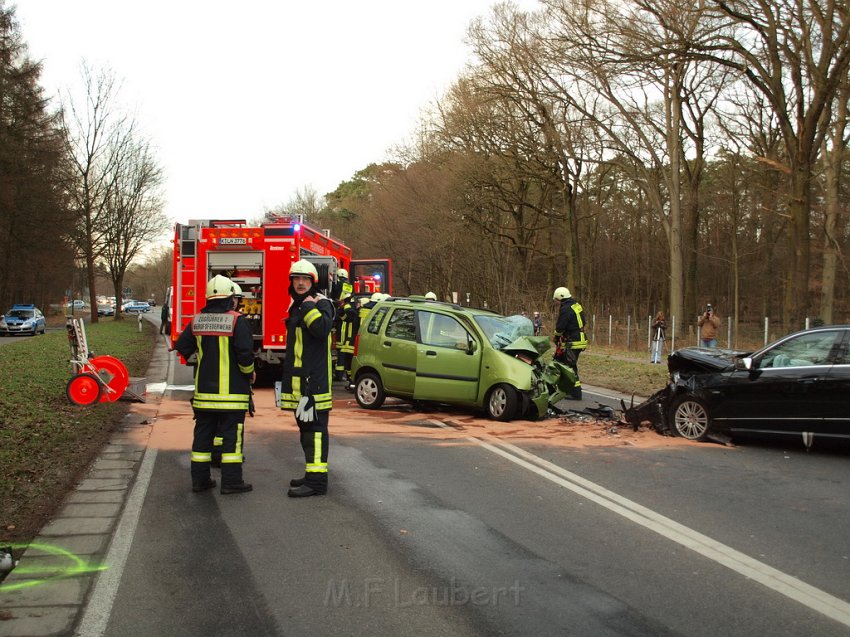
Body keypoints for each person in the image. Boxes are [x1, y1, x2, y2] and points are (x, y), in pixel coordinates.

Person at [175, 274, 254, 494]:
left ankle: (200, 481)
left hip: (204, 395)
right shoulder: (238, 320)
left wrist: (204, 356)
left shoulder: (197, 320)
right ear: (230, 297)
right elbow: (245, 355)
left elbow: (182, 348)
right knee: (231, 440)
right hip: (232, 396)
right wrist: (249, 374)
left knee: (202, 438)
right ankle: (231, 482)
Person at [279, 259, 335, 498]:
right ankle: (312, 475)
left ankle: (317, 483)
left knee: (316, 432)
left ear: (314, 282)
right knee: (305, 431)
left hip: (315, 384)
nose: (300, 283)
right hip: (300, 382)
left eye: (305, 279)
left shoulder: (321, 304)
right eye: (296, 278)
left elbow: (322, 330)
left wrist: (309, 308)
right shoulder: (297, 306)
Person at [553, 287, 587, 399]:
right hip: (580, 338)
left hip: (573, 341)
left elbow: (560, 327)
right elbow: (583, 321)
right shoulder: (576, 305)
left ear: (560, 298)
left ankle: (576, 393)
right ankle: (567, 389)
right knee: (566, 364)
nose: (556, 302)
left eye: (556, 300)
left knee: (570, 367)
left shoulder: (566, 309)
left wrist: (556, 337)